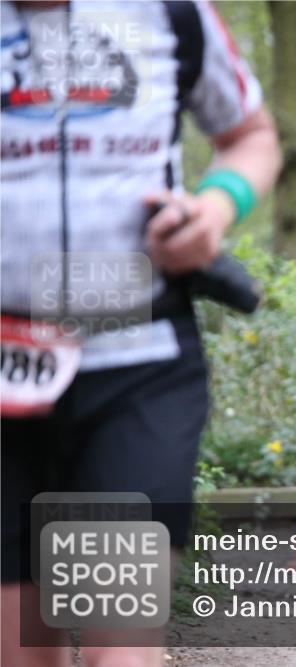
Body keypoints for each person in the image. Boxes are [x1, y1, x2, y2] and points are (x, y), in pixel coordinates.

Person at [1, 2, 281, 666]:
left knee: (118, 647)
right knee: (22, 650)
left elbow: (251, 136)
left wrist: (214, 210)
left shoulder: (168, 11)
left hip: (138, 366)